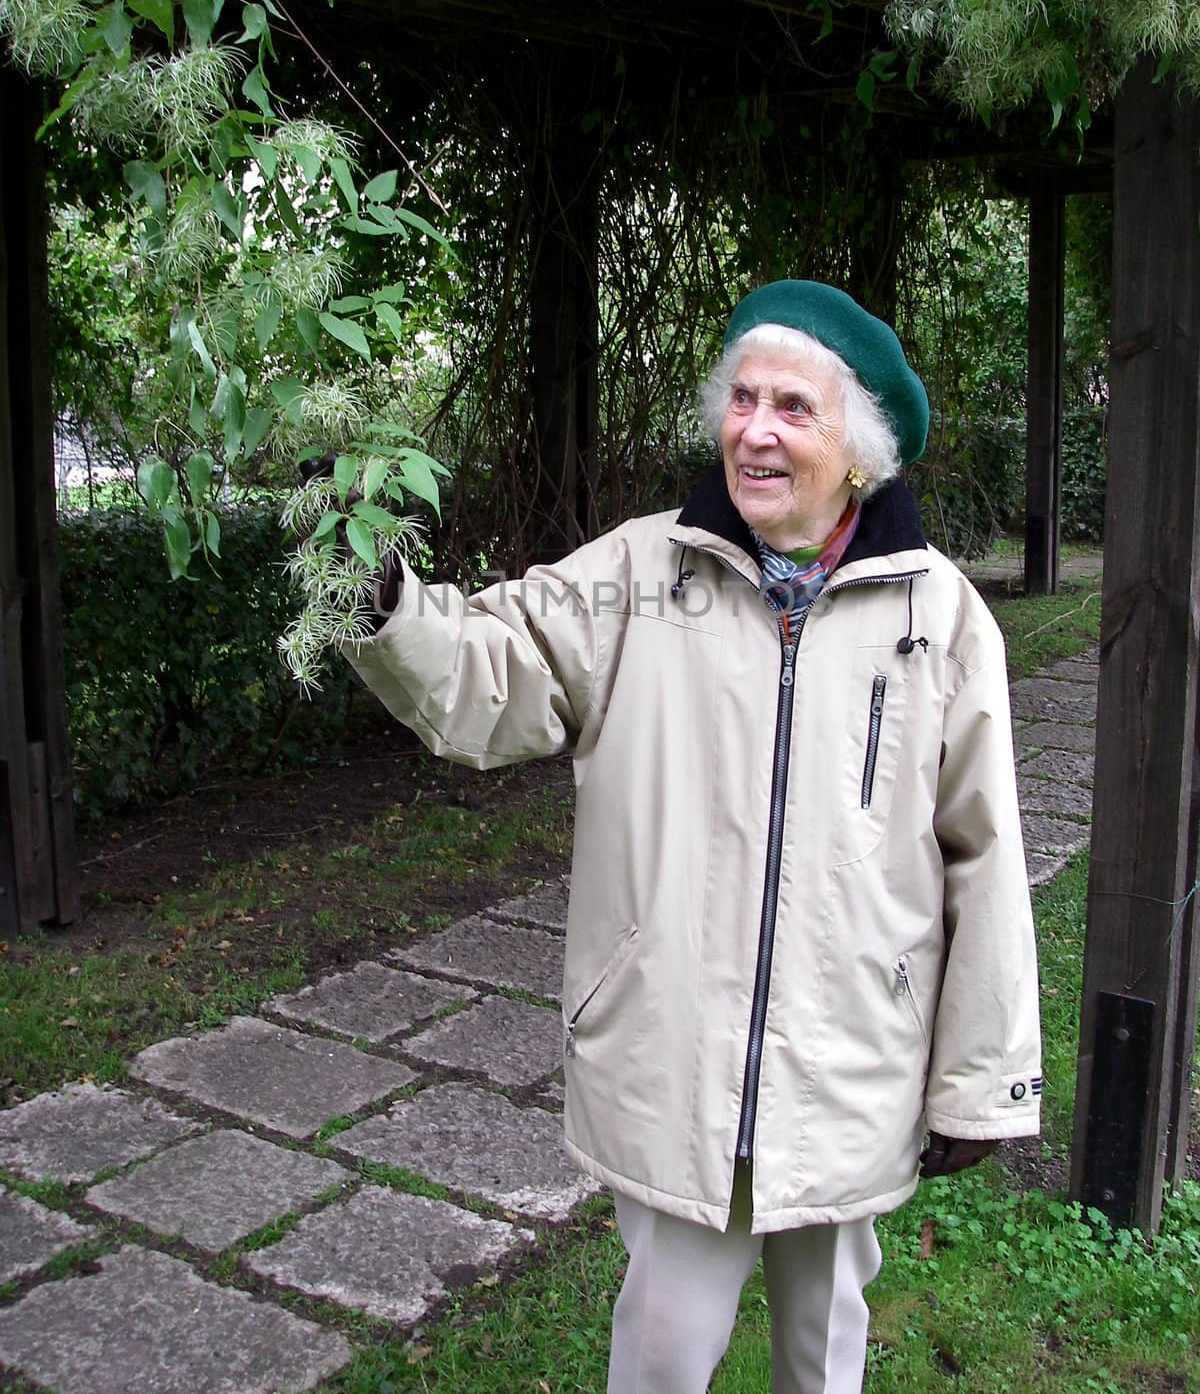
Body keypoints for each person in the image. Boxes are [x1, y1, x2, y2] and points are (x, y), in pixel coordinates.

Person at [343, 279, 1042, 1394]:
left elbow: (985, 858)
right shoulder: (635, 574)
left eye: (794, 409)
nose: (755, 430)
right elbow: (490, 674)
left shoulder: (941, 617)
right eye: (743, 399)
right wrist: (379, 599)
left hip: (854, 1059)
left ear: (858, 447)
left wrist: (980, 1079)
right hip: (678, 1055)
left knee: (824, 1353)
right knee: (664, 1353)